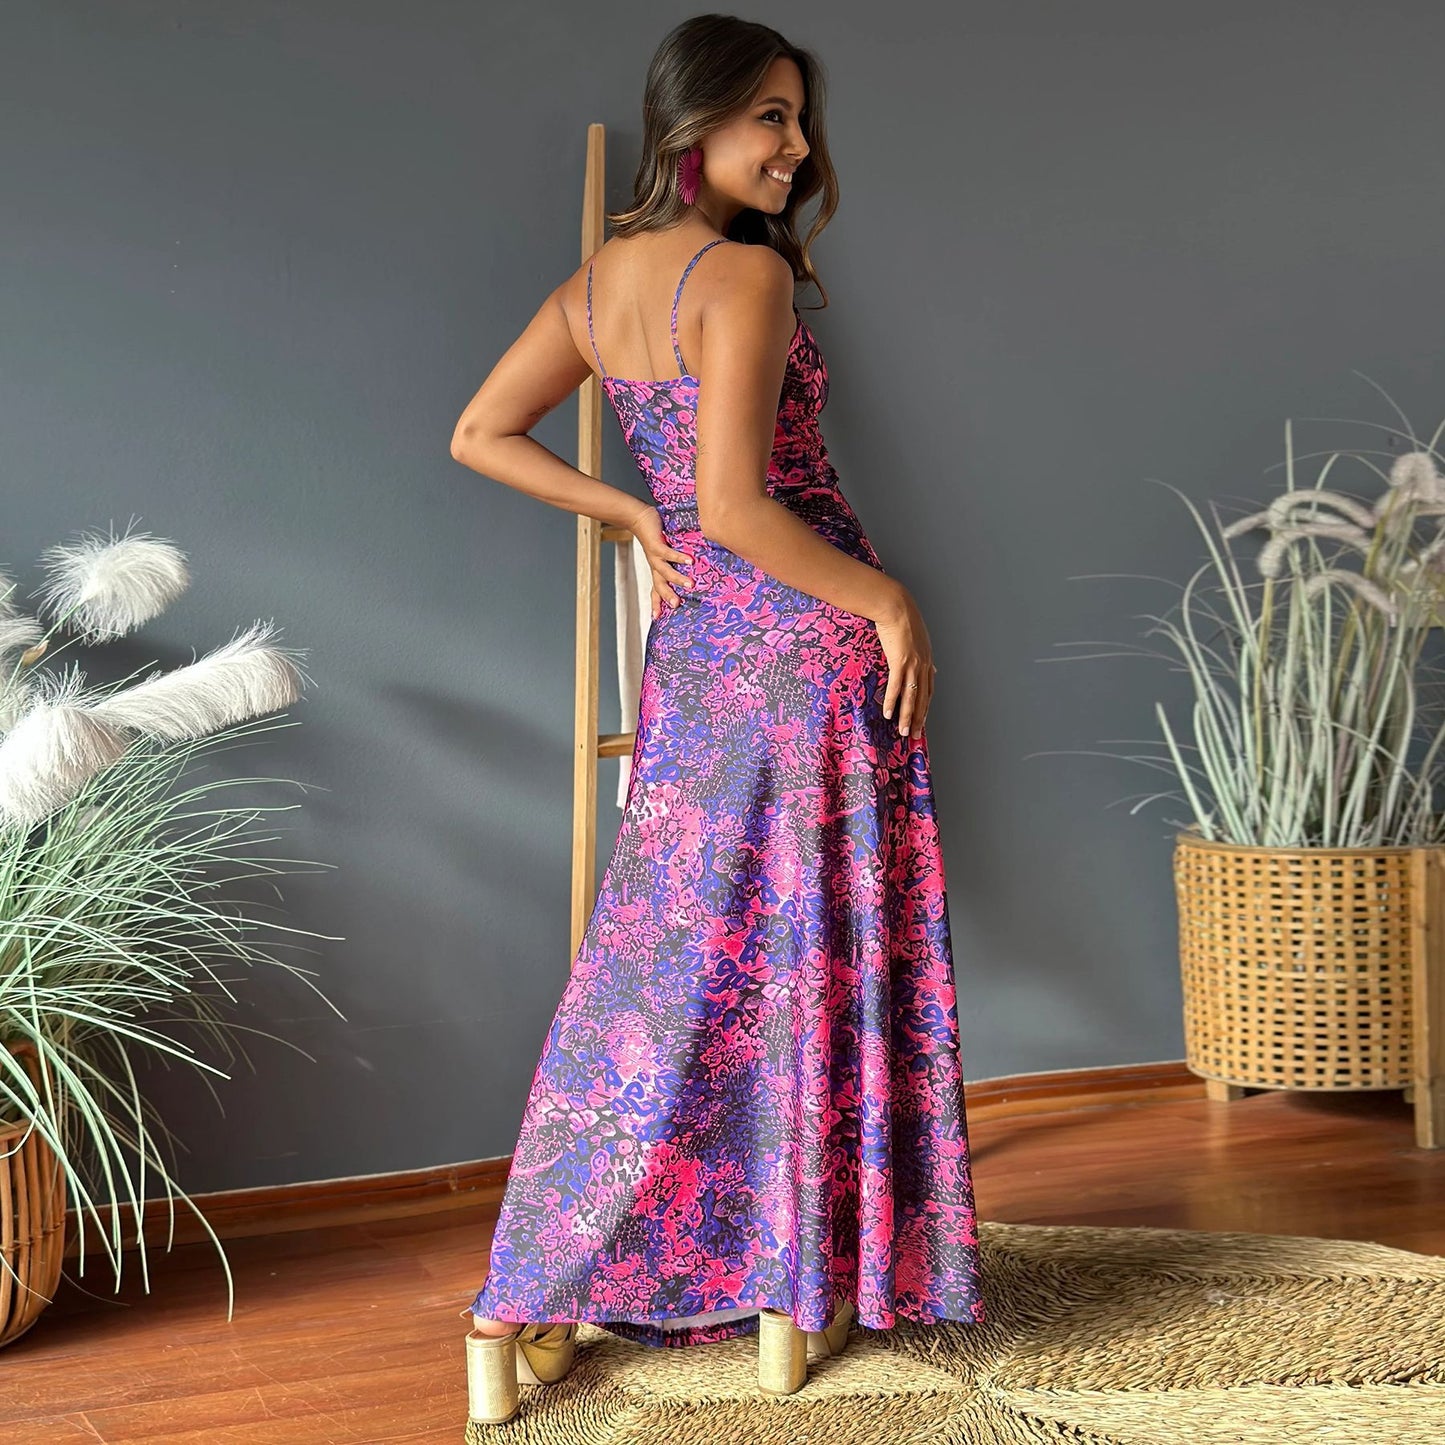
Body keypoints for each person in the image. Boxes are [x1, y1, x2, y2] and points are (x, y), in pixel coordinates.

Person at [449, 12, 985, 1425]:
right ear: (688, 126)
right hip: (799, 652)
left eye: (801, 120)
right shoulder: (736, 273)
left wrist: (633, 505)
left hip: (694, 659)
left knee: (659, 976)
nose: (796, 147)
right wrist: (887, 602)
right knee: (792, 966)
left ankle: (533, 1288)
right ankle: (784, 1281)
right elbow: (745, 508)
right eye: (768, 117)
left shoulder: (595, 285)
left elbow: (479, 432)